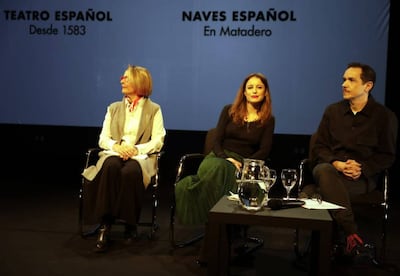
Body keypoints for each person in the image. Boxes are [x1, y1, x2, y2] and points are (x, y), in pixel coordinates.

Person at [309, 62, 397, 259]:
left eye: (351, 80)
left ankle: (324, 251)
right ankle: (351, 232)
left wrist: (362, 168)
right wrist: (336, 163)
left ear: (368, 86)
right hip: (328, 169)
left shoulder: (384, 116)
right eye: (343, 80)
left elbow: (387, 155)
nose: (344, 84)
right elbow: (319, 147)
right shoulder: (332, 111)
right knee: (324, 171)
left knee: (315, 194)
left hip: (359, 178)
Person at [81, 65, 166, 253]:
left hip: (141, 156)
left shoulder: (154, 109)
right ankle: (105, 224)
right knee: (110, 167)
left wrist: (135, 149)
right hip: (115, 153)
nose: (121, 80)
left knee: (131, 172)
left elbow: (158, 140)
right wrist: (117, 147)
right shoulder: (113, 108)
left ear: (139, 81)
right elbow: (103, 138)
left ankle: (130, 224)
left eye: (126, 77)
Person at [175, 72, 275, 226]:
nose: (254, 91)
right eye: (250, 87)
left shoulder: (268, 119)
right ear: (244, 92)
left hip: (243, 164)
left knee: (224, 174)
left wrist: (247, 165)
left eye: (259, 87)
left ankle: (216, 226)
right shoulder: (229, 110)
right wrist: (224, 157)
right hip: (218, 157)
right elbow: (217, 140)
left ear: (265, 91)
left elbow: (264, 150)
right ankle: (217, 224)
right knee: (218, 167)